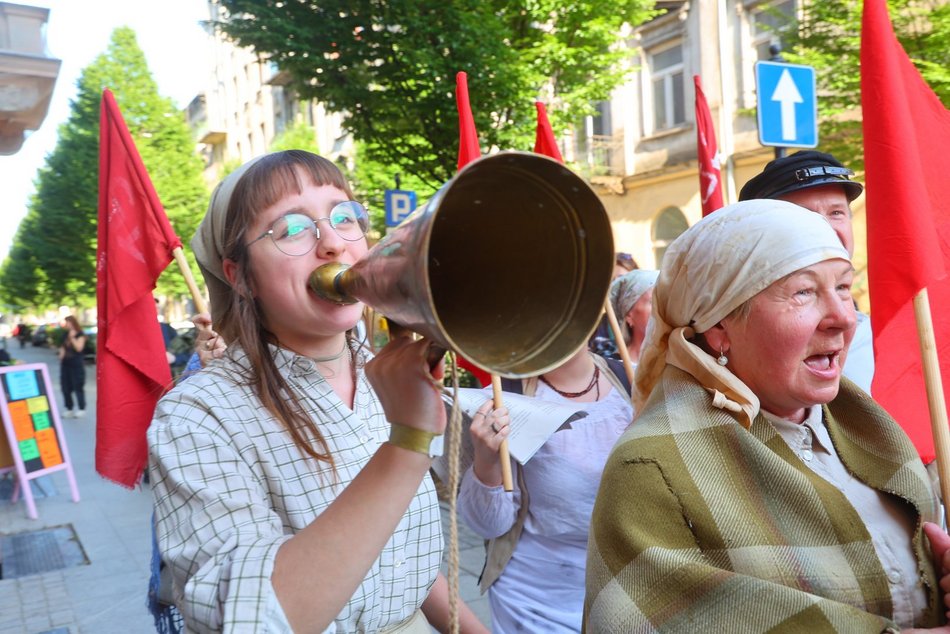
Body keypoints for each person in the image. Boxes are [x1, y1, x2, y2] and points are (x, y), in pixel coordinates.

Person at [148, 150, 486, 633]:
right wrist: (407, 442)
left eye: (345, 217)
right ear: (239, 275)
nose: (332, 243)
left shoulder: (386, 372)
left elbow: (390, 550)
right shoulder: (196, 416)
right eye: (291, 229)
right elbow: (252, 620)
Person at [584, 199, 950, 632]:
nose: (842, 319)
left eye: (844, 287)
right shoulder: (651, 469)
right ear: (719, 327)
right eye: (804, 292)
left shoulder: (870, 430)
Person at [457, 342, 634, 633]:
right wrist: (487, 462)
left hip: (631, 595)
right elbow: (489, 526)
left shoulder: (639, 383)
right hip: (535, 606)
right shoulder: (502, 400)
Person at [739, 150, 873, 392]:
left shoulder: (883, 334)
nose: (825, 228)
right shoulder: (743, 336)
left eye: (836, 213)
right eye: (804, 216)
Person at [607, 269, 659, 365]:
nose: (661, 308)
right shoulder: (613, 370)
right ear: (629, 315)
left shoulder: (678, 362)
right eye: (652, 302)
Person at [58, 315, 86, 418]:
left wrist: (72, 338)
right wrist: (61, 355)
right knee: (65, 387)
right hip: (66, 364)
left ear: (73, 323)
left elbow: (79, 348)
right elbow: (62, 347)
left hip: (76, 365)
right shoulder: (65, 334)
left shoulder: (80, 334)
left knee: (78, 386)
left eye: (68, 322)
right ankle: (69, 408)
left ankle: (81, 408)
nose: (66, 324)